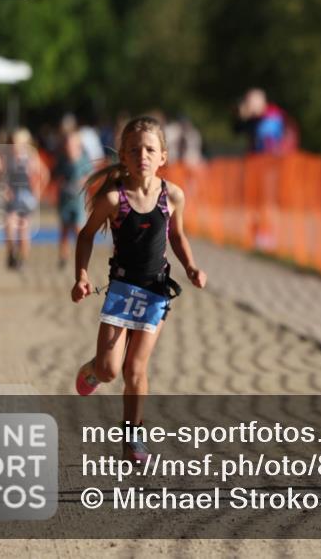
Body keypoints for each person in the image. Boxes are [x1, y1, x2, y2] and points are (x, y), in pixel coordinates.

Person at [71, 116, 207, 463]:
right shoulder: (114, 199)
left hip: (156, 291)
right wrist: (81, 275)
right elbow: (86, 235)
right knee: (109, 370)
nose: (142, 155)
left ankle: (133, 439)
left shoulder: (172, 195)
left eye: (149, 149)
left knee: (135, 370)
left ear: (163, 156)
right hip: (121, 289)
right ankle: (92, 369)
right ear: (123, 156)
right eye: (134, 150)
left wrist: (191, 267)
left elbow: (176, 235)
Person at [4, 128, 49, 270]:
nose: (15, 145)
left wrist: (37, 192)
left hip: (26, 198)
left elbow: (45, 174)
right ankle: (11, 253)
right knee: (9, 226)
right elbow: (5, 176)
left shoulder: (31, 157)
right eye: (13, 142)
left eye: (18, 142)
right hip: (13, 198)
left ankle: (22, 260)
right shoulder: (9, 158)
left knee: (23, 231)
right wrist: (6, 189)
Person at [52, 130, 92, 269]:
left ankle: (81, 257)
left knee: (78, 230)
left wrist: (83, 181)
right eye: (67, 144)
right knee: (64, 230)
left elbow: (91, 175)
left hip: (79, 201)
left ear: (78, 144)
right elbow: (55, 175)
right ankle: (63, 257)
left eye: (71, 144)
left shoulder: (84, 159)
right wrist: (61, 183)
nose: (69, 147)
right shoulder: (62, 160)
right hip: (65, 200)